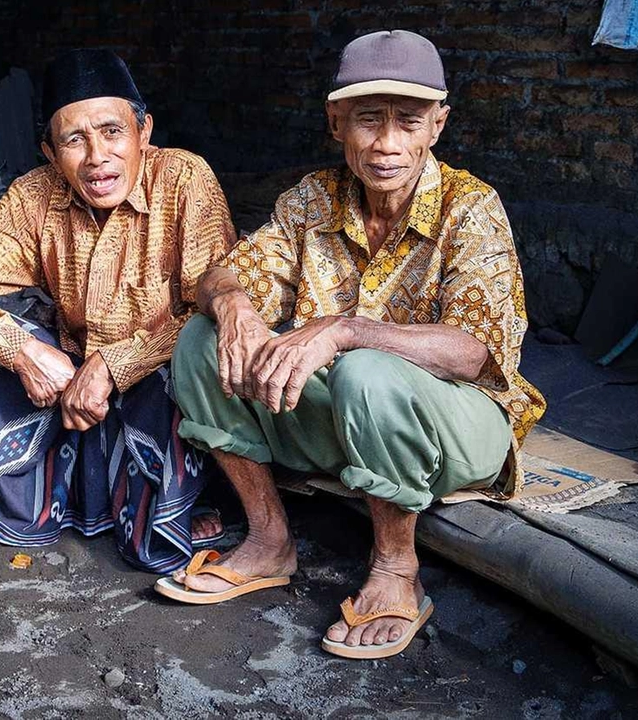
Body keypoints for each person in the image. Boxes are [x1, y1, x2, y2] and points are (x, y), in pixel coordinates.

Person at [156, 30, 547, 658]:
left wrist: (346, 329)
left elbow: (475, 354)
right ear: (337, 123)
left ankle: (396, 571)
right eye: (369, 120)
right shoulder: (312, 198)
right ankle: (268, 540)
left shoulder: (471, 208)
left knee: (365, 368)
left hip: (456, 427)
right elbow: (223, 273)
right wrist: (233, 309)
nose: (388, 144)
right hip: (345, 421)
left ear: (437, 126)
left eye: (408, 121)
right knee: (201, 339)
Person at [0, 49, 237, 573]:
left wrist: (113, 365)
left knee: (201, 350)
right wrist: (22, 351)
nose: (97, 158)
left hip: (157, 379)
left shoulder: (184, 180)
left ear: (143, 131)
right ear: (49, 151)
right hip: (69, 385)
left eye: (112, 132)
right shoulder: (34, 196)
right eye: (73, 140)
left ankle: (186, 494)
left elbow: (216, 306)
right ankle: (40, 499)